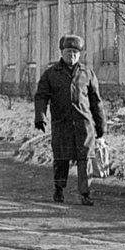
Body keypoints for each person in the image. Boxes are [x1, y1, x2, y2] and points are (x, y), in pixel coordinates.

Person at [34, 34, 105, 205]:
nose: (71, 55)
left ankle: (85, 194)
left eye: (75, 52)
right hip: (62, 122)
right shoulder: (51, 74)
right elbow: (41, 96)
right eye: (68, 52)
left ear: (80, 54)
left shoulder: (87, 73)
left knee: (85, 159)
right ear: (61, 52)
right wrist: (40, 116)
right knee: (61, 158)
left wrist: (101, 124)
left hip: (84, 124)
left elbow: (96, 101)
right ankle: (59, 189)